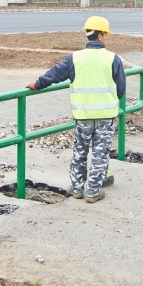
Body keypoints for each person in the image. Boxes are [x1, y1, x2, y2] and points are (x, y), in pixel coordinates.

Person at [27, 16, 125, 203]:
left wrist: (36, 85)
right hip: (106, 115)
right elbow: (121, 88)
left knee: (80, 151)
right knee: (100, 153)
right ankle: (93, 192)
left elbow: (54, 74)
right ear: (102, 35)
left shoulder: (75, 58)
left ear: (87, 34)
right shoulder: (113, 59)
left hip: (83, 116)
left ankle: (78, 188)